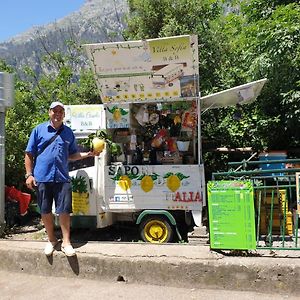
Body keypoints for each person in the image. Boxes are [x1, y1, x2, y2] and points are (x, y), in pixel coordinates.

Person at [25, 101, 95, 257]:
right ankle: (51, 240)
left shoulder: (68, 132)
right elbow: (29, 153)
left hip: (62, 177)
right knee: (45, 210)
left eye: (60, 111)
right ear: (49, 112)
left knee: (64, 211)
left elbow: (72, 155)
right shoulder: (39, 130)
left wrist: (88, 154)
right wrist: (29, 174)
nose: (57, 114)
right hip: (42, 177)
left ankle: (66, 242)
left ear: (64, 114)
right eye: (54, 111)